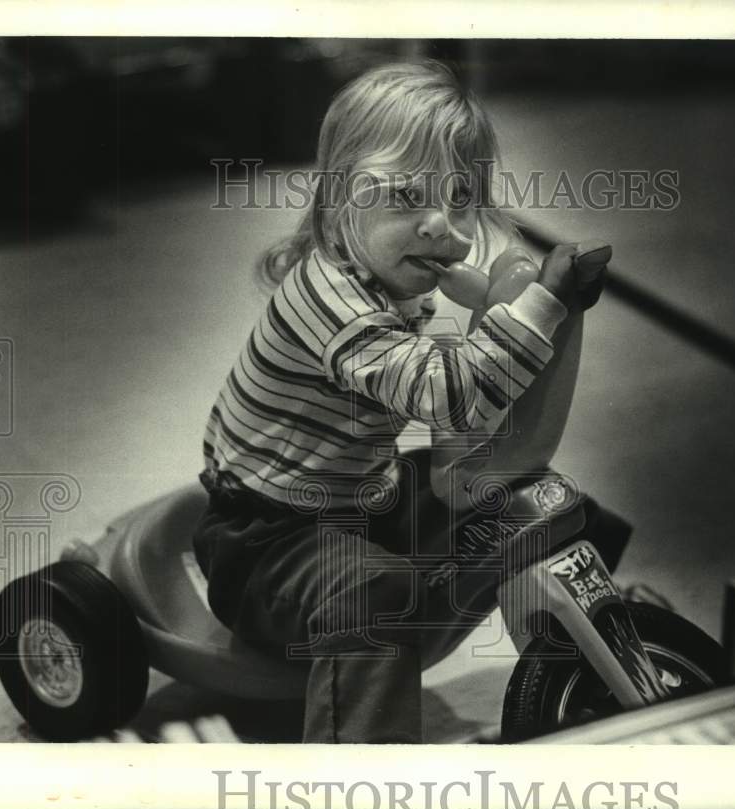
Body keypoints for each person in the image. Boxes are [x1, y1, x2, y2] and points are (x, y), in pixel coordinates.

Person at [192, 59, 629, 743]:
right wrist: (541, 307)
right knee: (372, 591)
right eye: (404, 197)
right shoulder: (329, 298)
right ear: (338, 203)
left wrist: (499, 303)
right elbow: (446, 397)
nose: (438, 224)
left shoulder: (388, 277)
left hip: (359, 497)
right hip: (266, 540)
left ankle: (598, 650)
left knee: (545, 505)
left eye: (459, 200)